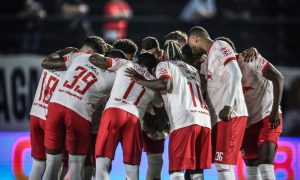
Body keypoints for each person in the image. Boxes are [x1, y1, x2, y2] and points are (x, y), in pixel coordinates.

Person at [126, 40, 211, 180]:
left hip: (184, 120)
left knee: (176, 171)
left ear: (163, 54)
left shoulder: (164, 65)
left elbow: (165, 83)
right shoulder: (193, 69)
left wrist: (141, 80)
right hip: (204, 120)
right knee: (196, 172)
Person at [42, 36, 116, 180]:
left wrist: (64, 51)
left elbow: (46, 63)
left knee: (52, 163)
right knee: (76, 165)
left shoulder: (81, 56)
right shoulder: (113, 76)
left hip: (56, 104)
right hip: (78, 112)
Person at [89, 53, 163, 180]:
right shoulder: (153, 84)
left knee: (102, 164)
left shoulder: (126, 64)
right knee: (132, 169)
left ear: (137, 60)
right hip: (134, 118)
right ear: (153, 68)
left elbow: (94, 59)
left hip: (113, 111)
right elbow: (160, 111)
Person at [188, 27, 248, 180]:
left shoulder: (220, 45)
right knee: (221, 166)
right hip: (219, 118)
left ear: (195, 38)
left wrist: (228, 105)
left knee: (223, 166)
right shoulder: (207, 61)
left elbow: (236, 73)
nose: (190, 47)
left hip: (230, 113)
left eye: (189, 43)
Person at [29, 47, 78, 180]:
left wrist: (64, 50)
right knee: (59, 164)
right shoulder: (73, 71)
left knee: (38, 165)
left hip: (35, 114)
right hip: (51, 120)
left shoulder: (50, 64)